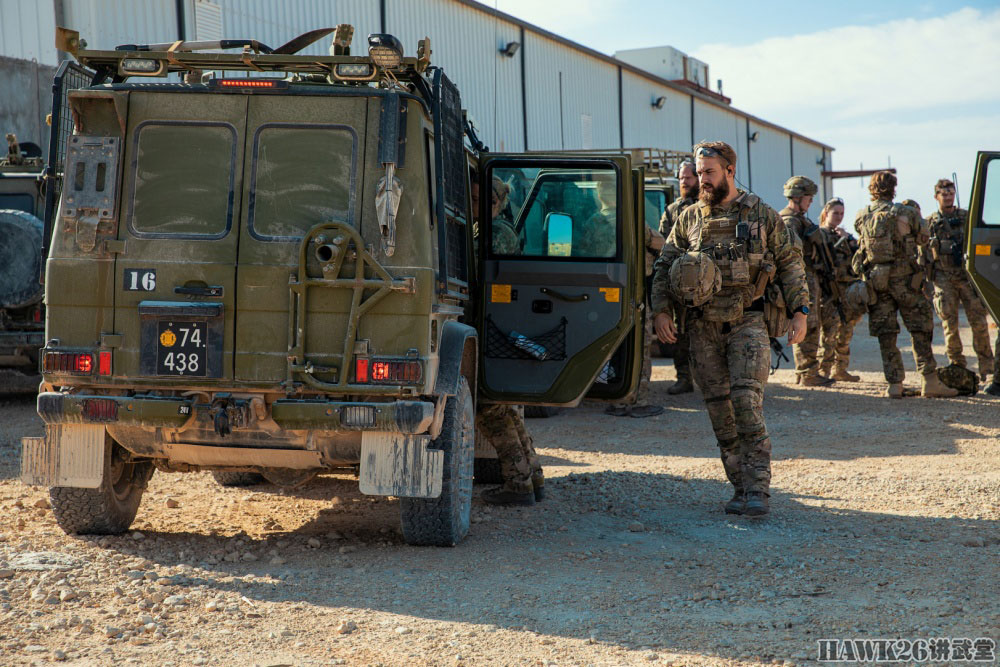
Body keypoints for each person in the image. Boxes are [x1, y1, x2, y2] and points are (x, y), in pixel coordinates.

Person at [652, 141, 810, 517]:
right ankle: (739, 487)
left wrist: (800, 311)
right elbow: (664, 266)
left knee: (745, 403)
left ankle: (758, 490)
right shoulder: (688, 219)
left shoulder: (761, 214)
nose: (702, 179)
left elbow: (790, 261)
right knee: (719, 411)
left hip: (748, 322)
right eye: (699, 171)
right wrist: (660, 312)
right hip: (702, 327)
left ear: (729, 171)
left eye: (709, 172)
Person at [851, 171, 957, 398]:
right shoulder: (906, 213)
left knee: (886, 334)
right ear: (893, 189)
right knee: (920, 329)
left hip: (877, 282)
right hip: (907, 281)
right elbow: (923, 238)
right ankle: (929, 381)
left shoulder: (862, 215)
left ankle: (894, 384)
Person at [473, 172, 543, 506]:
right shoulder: (484, 229)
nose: (478, 207)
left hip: (494, 329)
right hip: (494, 328)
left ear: (500, 203)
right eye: (473, 200)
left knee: (492, 411)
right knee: (504, 409)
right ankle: (532, 474)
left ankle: (518, 484)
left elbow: (481, 274)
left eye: (485, 201)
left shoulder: (497, 233)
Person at [926, 178, 995, 380]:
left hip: (967, 277)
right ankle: (957, 365)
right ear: (936, 196)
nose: (947, 197)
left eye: (950, 193)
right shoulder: (930, 222)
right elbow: (923, 252)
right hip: (943, 277)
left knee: (979, 323)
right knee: (949, 324)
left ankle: (987, 367)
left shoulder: (967, 217)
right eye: (943, 193)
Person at [780, 176, 834, 387]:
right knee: (806, 325)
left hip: (809, 278)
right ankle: (806, 372)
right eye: (808, 198)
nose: (811, 202)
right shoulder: (790, 221)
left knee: (812, 324)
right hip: (801, 279)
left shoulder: (800, 219)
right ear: (798, 197)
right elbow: (791, 256)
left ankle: (807, 371)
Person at [658, 160, 698, 395]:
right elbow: (663, 242)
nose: (684, 182)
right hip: (680, 282)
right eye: (681, 178)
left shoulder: (709, 206)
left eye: (688, 177)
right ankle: (684, 377)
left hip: (706, 281)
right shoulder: (673, 210)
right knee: (680, 333)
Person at [816, 197, 863, 381]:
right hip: (829, 291)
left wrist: (848, 239)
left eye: (842, 213)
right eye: (836, 213)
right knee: (828, 333)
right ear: (826, 213)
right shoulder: (821, 235)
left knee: (846, 331)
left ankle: (840, 369)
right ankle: (823, 371)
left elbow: (858, 255)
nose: (839, 216)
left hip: (847, 290)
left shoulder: (844, 235)